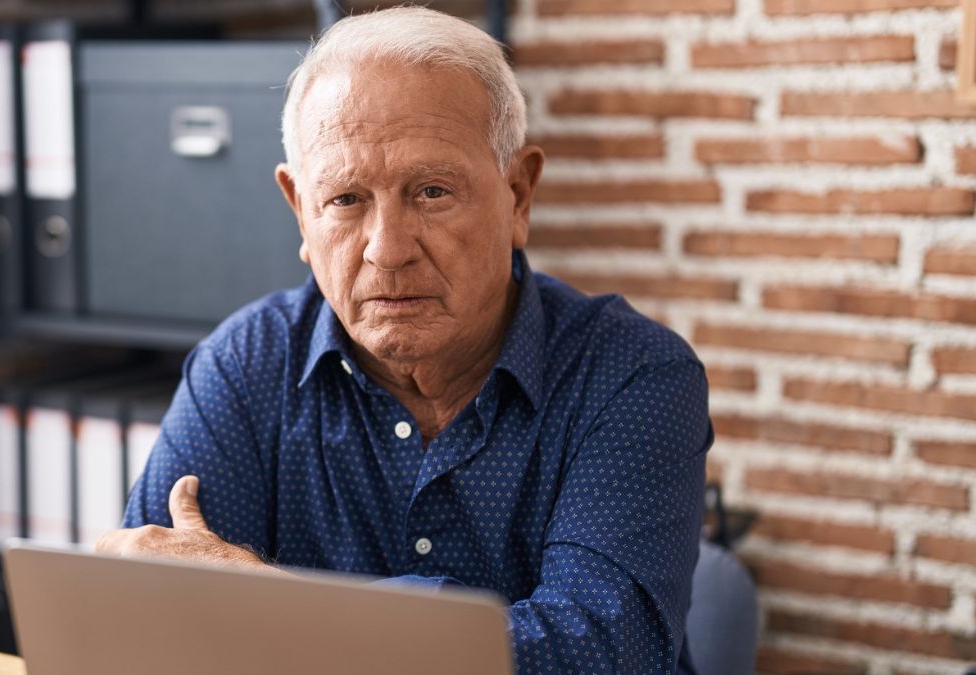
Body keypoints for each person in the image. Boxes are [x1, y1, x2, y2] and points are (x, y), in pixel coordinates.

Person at [97, 6, 712, 673]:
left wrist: (275, 603)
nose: (387, 251)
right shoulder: (246, 365)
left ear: (518, 195)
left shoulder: (632, 374)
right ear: (299, 211)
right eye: (345, 199)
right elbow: (147, 621)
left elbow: (600, 654)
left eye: (432, 191)